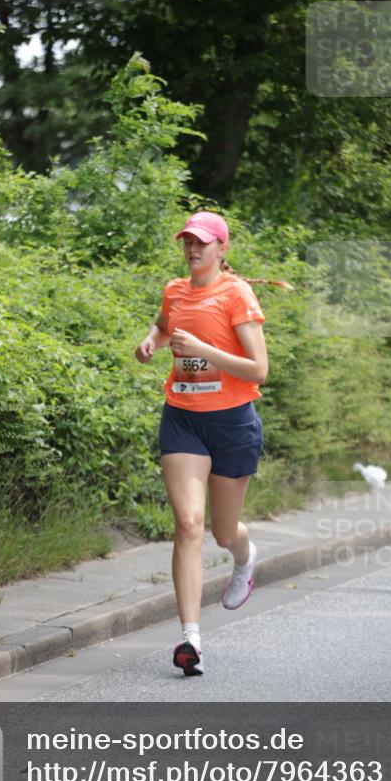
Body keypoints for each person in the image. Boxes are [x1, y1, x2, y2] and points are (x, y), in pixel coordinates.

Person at [134, 210, 292, 677]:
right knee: (187, 524)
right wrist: (150, 342)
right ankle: (191, 641)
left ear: (222, 249)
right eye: (187, 241)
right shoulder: (174, 290)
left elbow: (258, 369)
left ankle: (244, 556)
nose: (193, 249)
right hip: (183, 419)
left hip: (232, 425)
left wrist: (204, 351)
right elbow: (165, 326)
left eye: (203, 242)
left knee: (223, 533)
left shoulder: (236, 294)